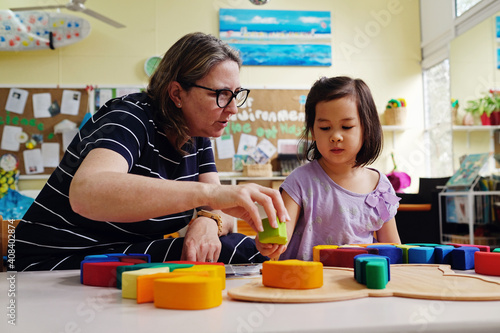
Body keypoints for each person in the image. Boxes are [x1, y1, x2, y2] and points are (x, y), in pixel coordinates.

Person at [13, 32, 289, 271]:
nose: (233, 108)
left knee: (235, 248)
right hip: (57, 258)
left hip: (126, 251)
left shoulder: (197, 132)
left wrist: (209, 220)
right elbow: (87, 193)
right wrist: (211, 196)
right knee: (225, 253)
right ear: (177, 94)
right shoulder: (129, 116)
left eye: (236, 93)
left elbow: (221, 210)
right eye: (220, 94)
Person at [256, 76, 401, 261]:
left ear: (366, 128)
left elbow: (392, 249)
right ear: (312, 131)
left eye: (346, 126)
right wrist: (268, 243)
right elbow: (279, 236)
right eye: (325, 128)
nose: (335, 136)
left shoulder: (380, 187)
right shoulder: (300, 181)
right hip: (306, 284)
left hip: (357, 284)